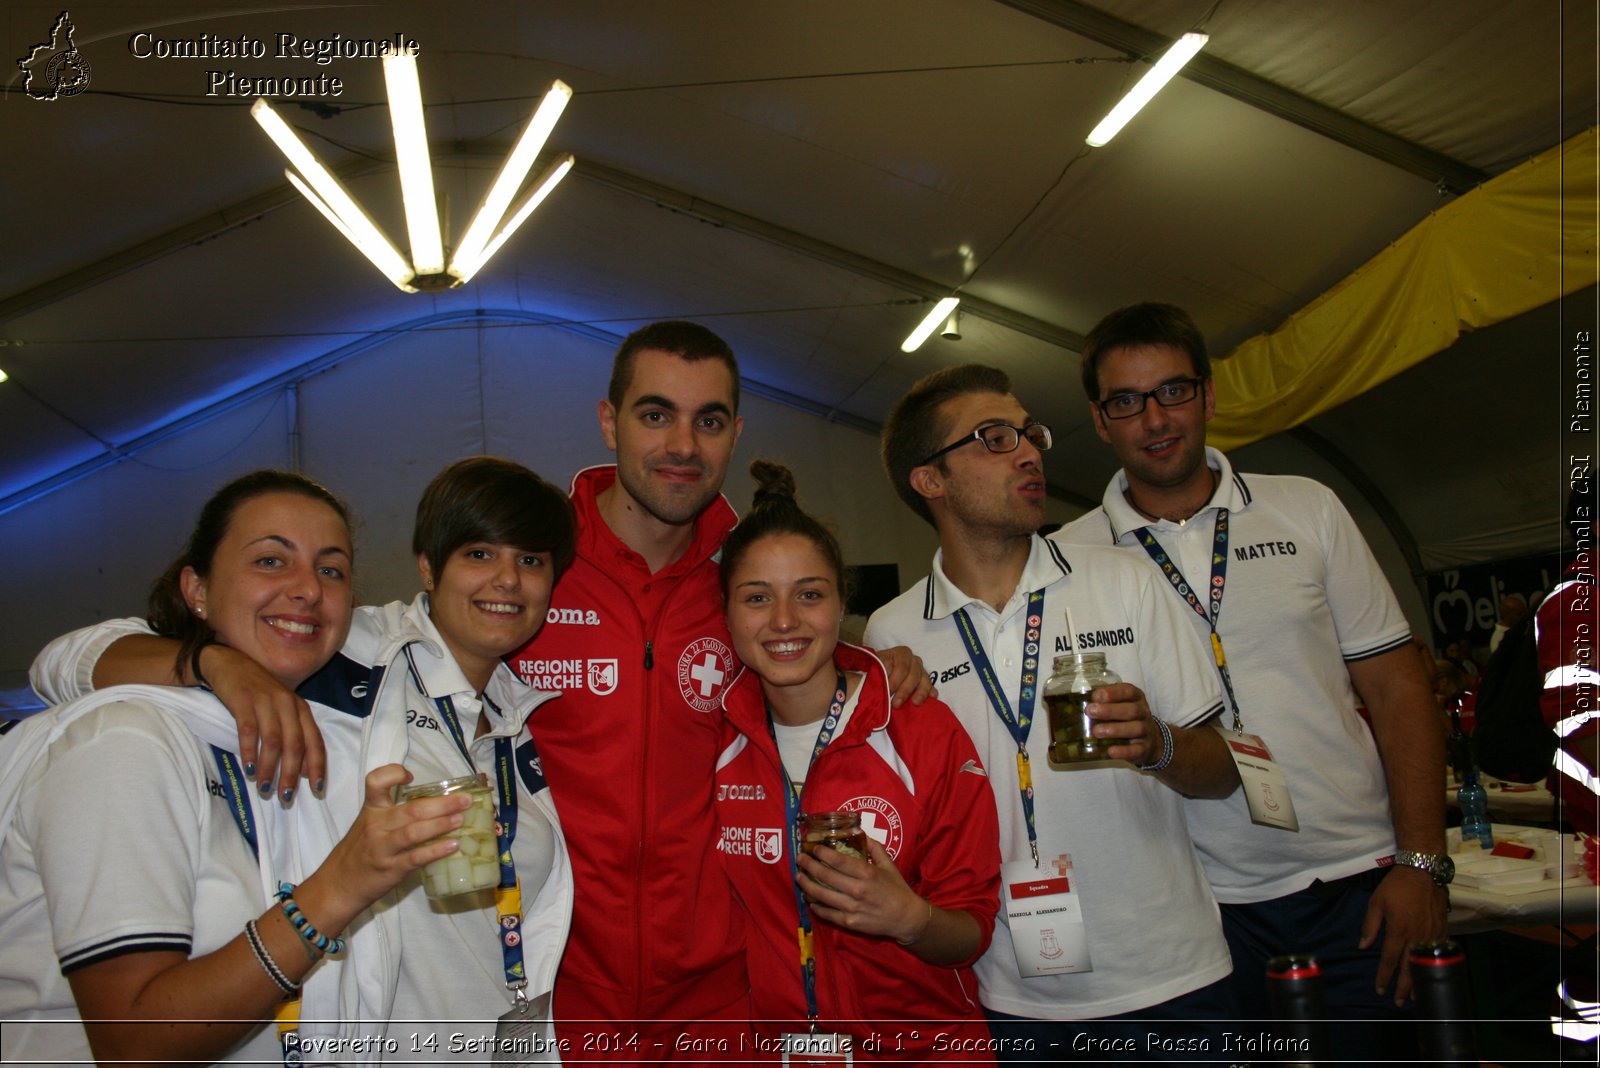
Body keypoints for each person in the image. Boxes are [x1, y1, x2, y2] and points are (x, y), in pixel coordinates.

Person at [27, 457, 578, 1059]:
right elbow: (65, 663)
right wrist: (216, 662)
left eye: (531, 561)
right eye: (479, 554)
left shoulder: (516, 719)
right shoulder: (342, 650)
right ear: (426, 565)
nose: (506, 580)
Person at [501, 321, 933, 1055]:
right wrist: (237, 666)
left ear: (735, 433)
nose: (681, 446)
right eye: (655, 414)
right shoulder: (535, 561)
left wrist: (882, 665)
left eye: (708, 421)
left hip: (718, 996)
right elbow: (409, 647)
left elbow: (811, 655)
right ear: (609, 421)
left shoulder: (746, 580)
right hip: (551, 990)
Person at [1055, 302, 1447, 1054]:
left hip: (1353, 886)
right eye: (1126, 402)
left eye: (1173, 391)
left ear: (1207, 395)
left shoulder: (1307, 509)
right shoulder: (1071, 558)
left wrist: (1422, 864)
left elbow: (1398, 690)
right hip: (1196, 910)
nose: (1155, 418)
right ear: (1101, 422)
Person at [864, 364, 1238, 1057]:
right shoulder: (893, 635)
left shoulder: (1124, 581)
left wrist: (1157, 743)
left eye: (1029, 433)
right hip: (1011, 996)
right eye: (995, 438)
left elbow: (1224, 772)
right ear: (930, 479)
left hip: (1172, 978)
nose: (1031, 451)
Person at [714, 459, 1001, 1059]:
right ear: (726, 614)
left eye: (810, 594)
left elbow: (971, 928)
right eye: (757, 597)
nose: (785, 621)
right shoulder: (711, 740)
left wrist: (911, 919)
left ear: (843, 600)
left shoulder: (917, 726)